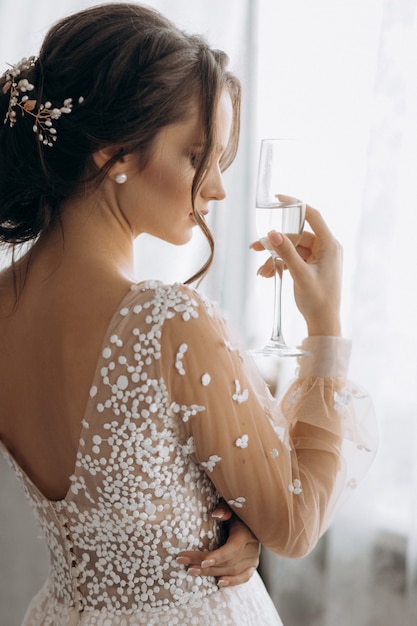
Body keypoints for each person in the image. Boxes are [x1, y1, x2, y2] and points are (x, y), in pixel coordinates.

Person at [0, 3, 375, 625]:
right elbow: (297, 525)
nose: (218, 189)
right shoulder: (167, 320)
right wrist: (327, 327)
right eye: (196, 153)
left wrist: (229, 523)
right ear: (113, 152)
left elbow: (125, 513)